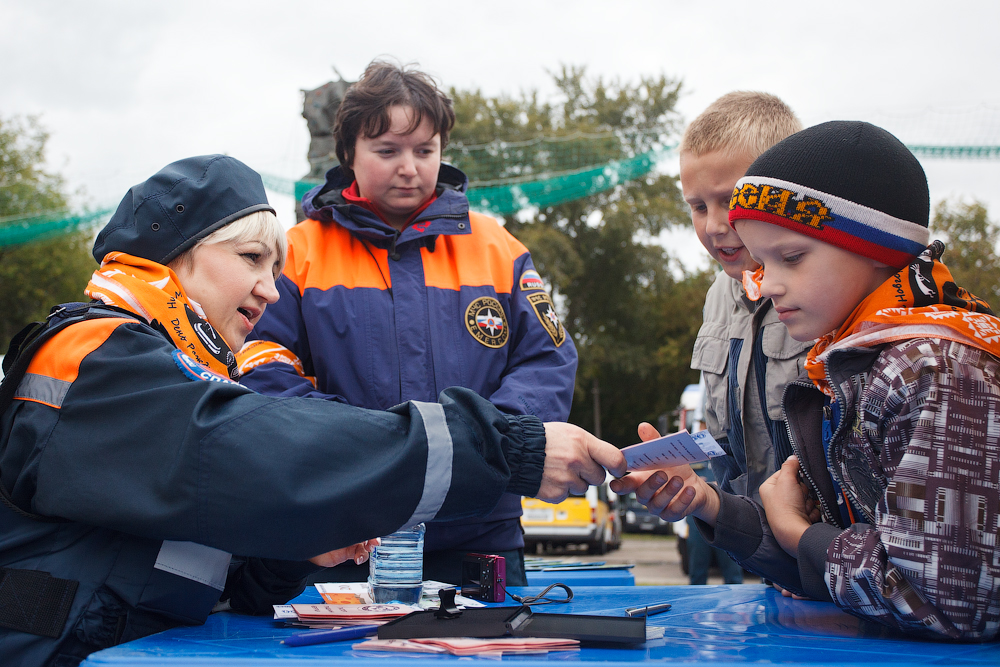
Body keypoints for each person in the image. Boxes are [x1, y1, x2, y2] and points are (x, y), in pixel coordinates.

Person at [0, 154, 626, 666]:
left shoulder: (184, 374)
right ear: (173, 259)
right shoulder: (91, 354)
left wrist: (294, 551)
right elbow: (256, 450)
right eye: (251, 260)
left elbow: (229, 576)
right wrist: (504, 448)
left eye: (274, 267)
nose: (270, 289)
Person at [614, 121, 1000, 640]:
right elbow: (841, 565)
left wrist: (800, 535)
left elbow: (945, 600)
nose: (767, 283)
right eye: (762, 260)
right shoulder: (853, 363)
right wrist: (711, 504)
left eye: (790, 257)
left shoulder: (936, 370)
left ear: (877, 247)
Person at [238, 61, 577, 586]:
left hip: (479, 533)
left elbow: (546, 360)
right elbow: (261, 369)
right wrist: (377, 451)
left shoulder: (498, 248)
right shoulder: (297, 251)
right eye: (387, 150)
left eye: (425, 150)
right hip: (342, 533)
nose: (409, 168)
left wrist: (487, 445)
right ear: (349, 151)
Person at [670, 92, 805, 585]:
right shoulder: (717, 298)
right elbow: (731, 452)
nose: (714, 225)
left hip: (839, 564)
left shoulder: (829, 292)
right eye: (698, 206)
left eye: (731, 200)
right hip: (768, 565)